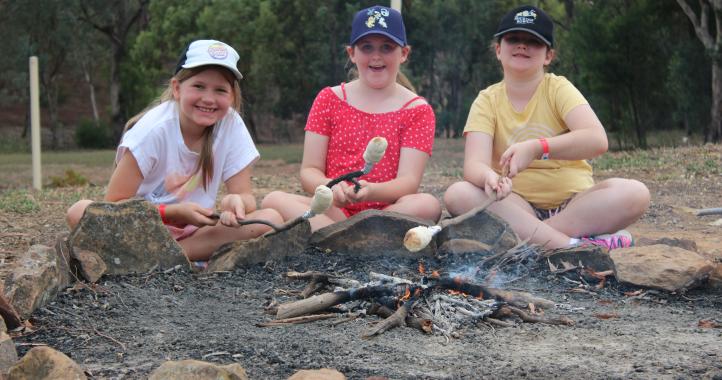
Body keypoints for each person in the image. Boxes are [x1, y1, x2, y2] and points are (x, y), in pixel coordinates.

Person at [443, 5, 650, 250]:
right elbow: (473, 165)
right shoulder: (486, 100)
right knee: (458, 193)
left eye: (533, 41)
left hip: (574, 207)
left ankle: (533, 239)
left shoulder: (558, 88)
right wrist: (489, 177)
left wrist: (538, 147)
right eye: (513, 39)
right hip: (515, 204)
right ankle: (569, 246)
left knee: (636, 193)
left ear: (548, 56)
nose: (522, 45)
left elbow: (597, 140)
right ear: (498, 50)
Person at [66, 39, 282, 261]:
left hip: (194, 233)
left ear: (232, 97)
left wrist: (235, 202)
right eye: (198, 86)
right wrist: (172, 214)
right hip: (139, 230)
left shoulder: (231, 124)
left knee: (271, 219)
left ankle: (159, 258)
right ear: (177, 89)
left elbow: (245, 196)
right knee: (79, 211)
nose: (208, 99)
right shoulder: (153, 130)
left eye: (220, 90)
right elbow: (113, 204)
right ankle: (163, 257)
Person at [262, 5, 441, 231]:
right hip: (334, 208)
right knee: (273, 200)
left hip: (387, 212)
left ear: (403, 53)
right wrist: (330, 187)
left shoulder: (417, 109)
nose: (376, 56)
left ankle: (334, 234)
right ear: (352, 53)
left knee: (428, 205)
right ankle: (353, 236)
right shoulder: (329, 99)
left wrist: (372, 191)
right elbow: (309, 171)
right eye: (366, 47)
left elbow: (408, 182)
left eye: (387, 47)